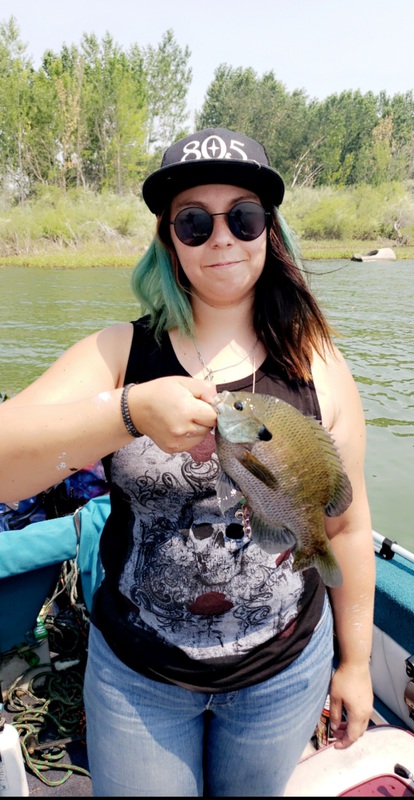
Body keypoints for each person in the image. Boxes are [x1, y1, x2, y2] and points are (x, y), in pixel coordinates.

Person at [0, 127, 375, 797]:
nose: (223, 237)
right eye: (195, 222)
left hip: (283, 675)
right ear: (169, 240)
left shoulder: (317, 361)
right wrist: (128, 412)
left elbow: (345, 526)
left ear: (269, 232)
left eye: (245, 216)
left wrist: (357, 662)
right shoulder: (119, 354)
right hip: (138, 682)